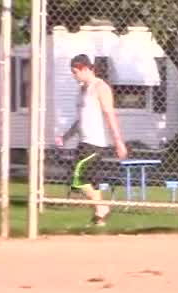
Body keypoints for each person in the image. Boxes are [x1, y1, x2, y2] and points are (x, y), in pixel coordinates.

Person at [56, 55, 129, 227]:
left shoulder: (100, 87)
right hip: (83, 142)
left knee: (76, 177)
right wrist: (66, 136)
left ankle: (102, 207)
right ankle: (99, 218)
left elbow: (109, 114)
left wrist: (118, 141)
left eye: (75, 72)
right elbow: (80, 119)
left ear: (85, 69)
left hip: (96, 143)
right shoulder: (82, 89)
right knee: (91, 182)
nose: (74, 76)